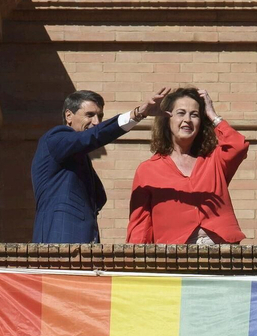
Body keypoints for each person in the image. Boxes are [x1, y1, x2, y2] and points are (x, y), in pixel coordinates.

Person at [31, 87, 169, 244]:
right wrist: (137, 114)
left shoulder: (77, 157)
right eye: (89, 115)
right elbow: (92, 137)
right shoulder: (55, 138)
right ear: (69, 115)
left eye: (100, 116)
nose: (96, 122)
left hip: (85, 248)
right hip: (60, 240)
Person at [127, 88, 248, 245]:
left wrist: (213, 115)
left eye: (195, 114)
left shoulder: (213, 160)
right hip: (174, 250)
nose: (188, 119)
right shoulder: (148, 169)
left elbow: (238, 146)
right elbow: (140, 224)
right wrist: (138, 261)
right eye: (181, 113)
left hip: (220, 246)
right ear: (167, 119)